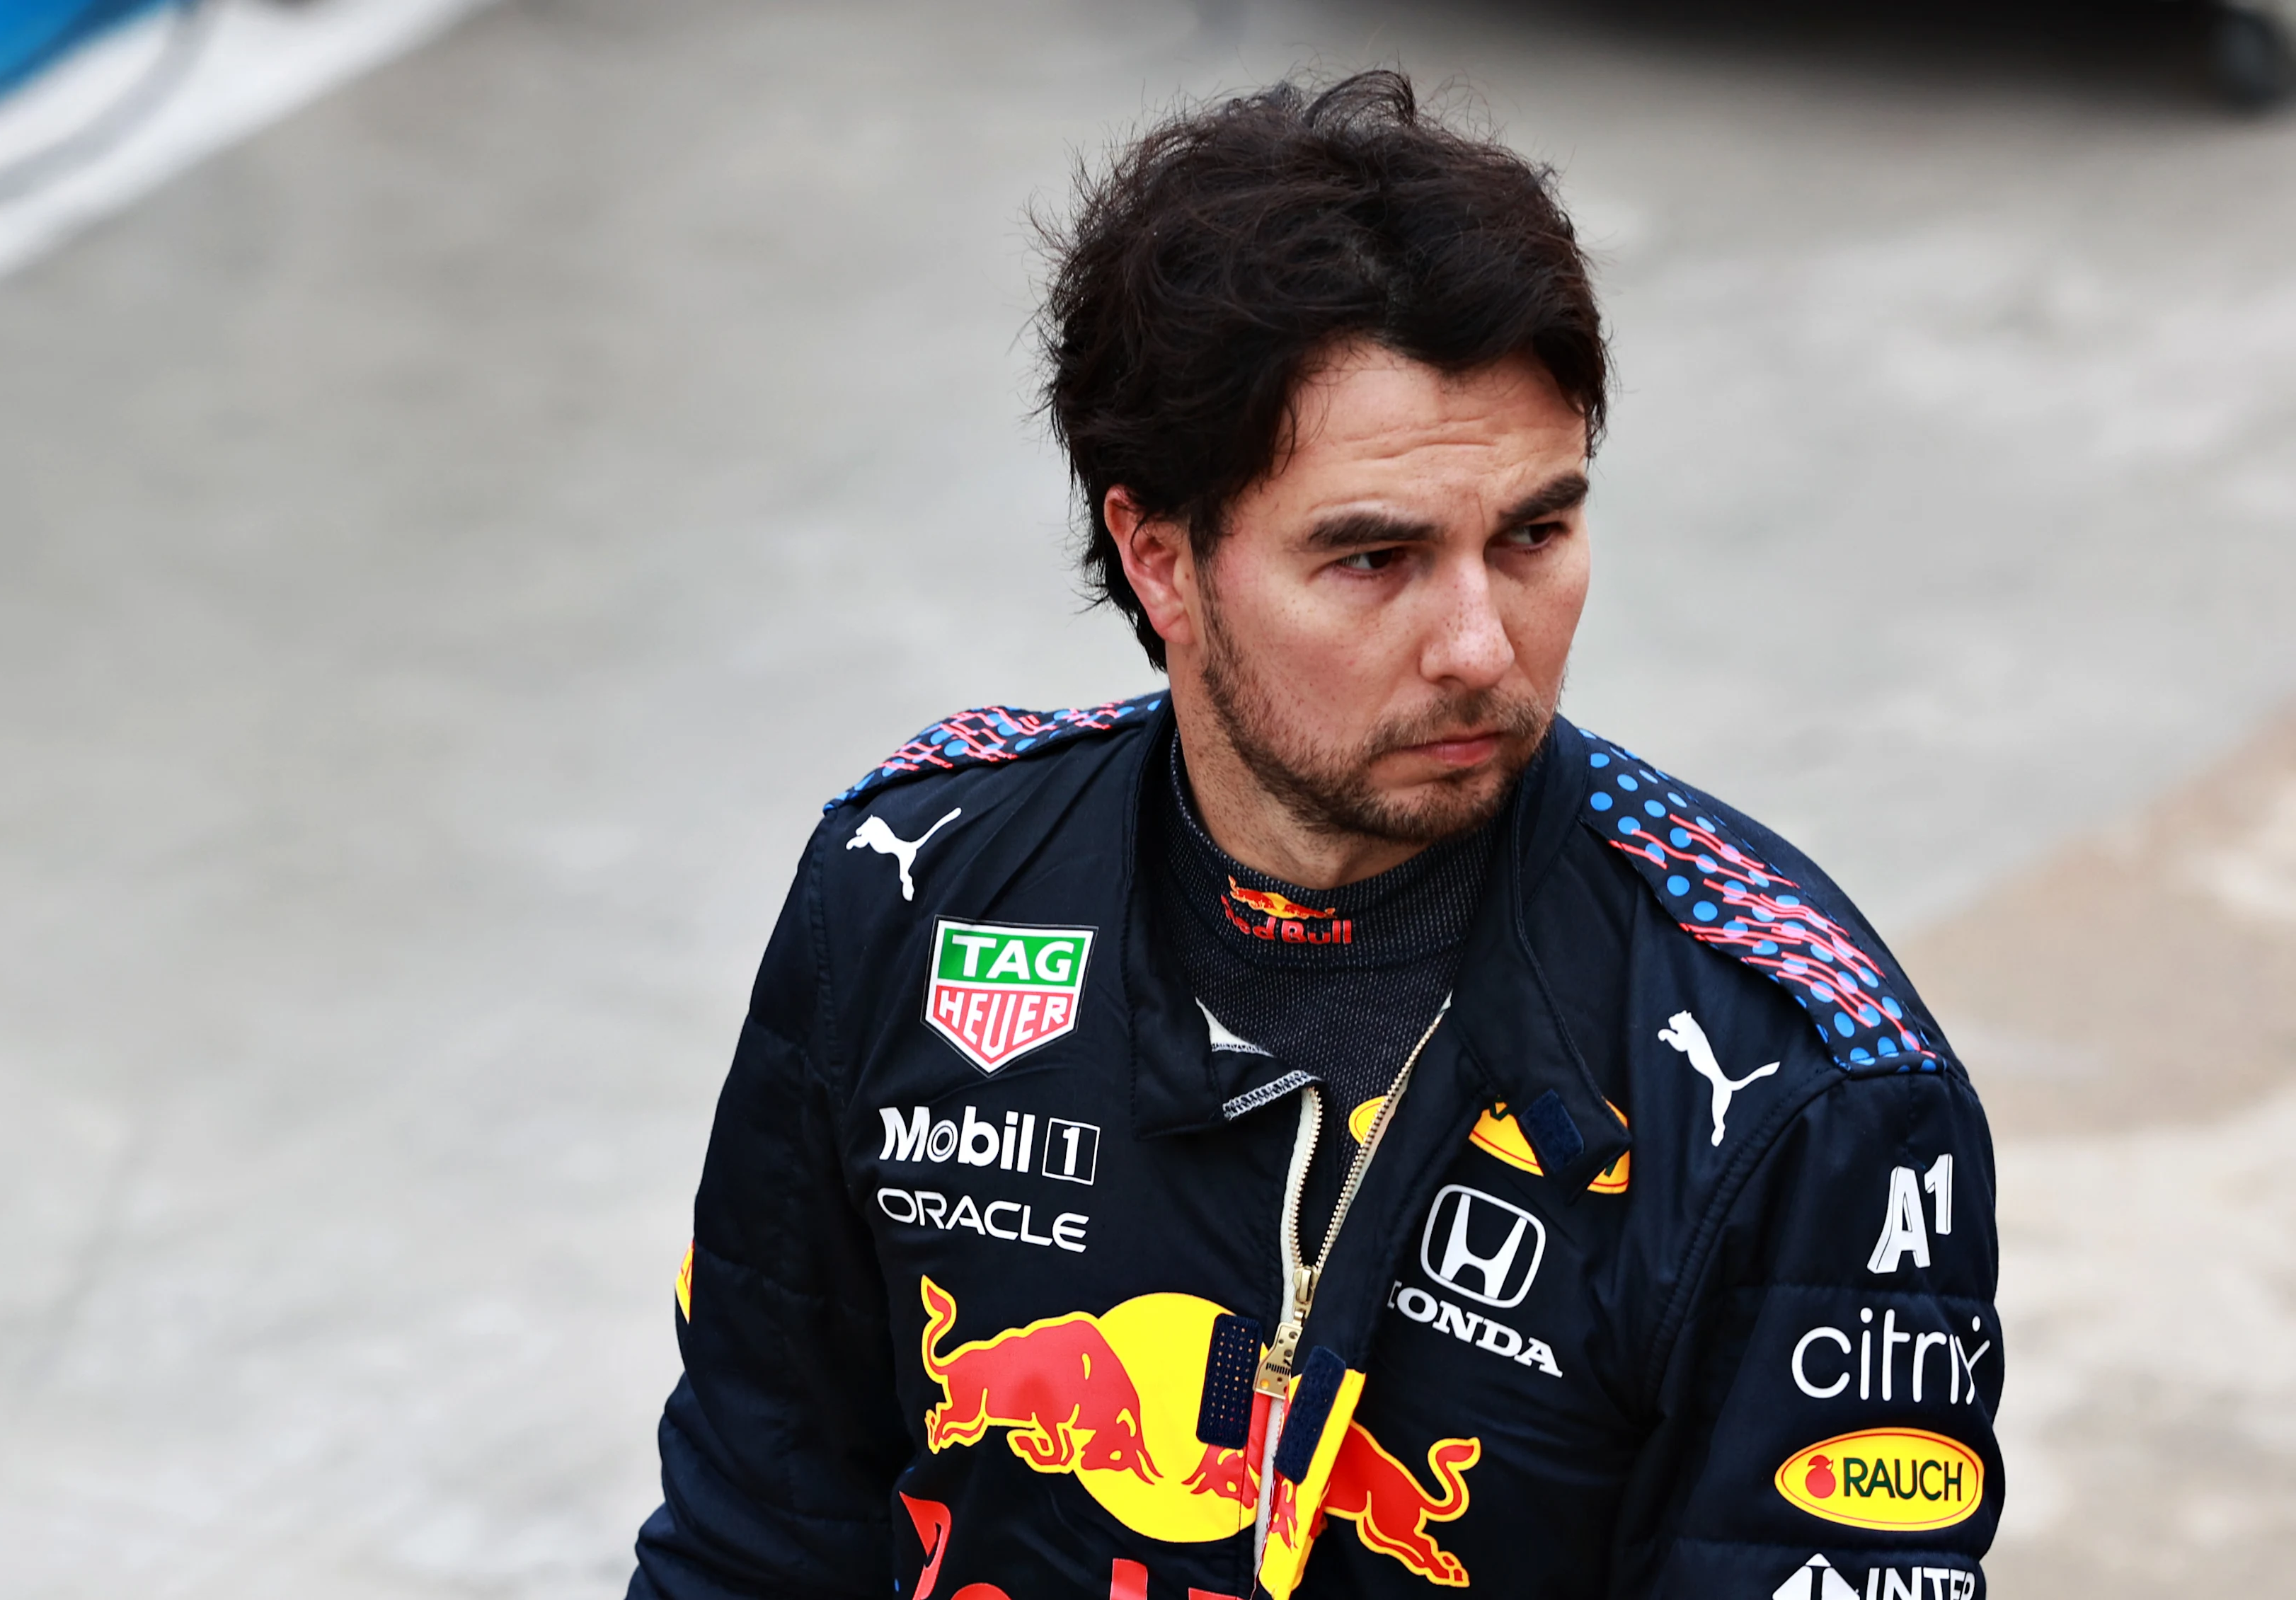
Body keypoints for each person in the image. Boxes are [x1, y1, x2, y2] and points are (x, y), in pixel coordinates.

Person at [626, 71, 2000, 1600]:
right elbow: (751, 1544)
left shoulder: (1810, 1092)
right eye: (1374, 557)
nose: (1479, 645)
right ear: (1160, 558)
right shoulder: (905, 894)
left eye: (1533, 534)